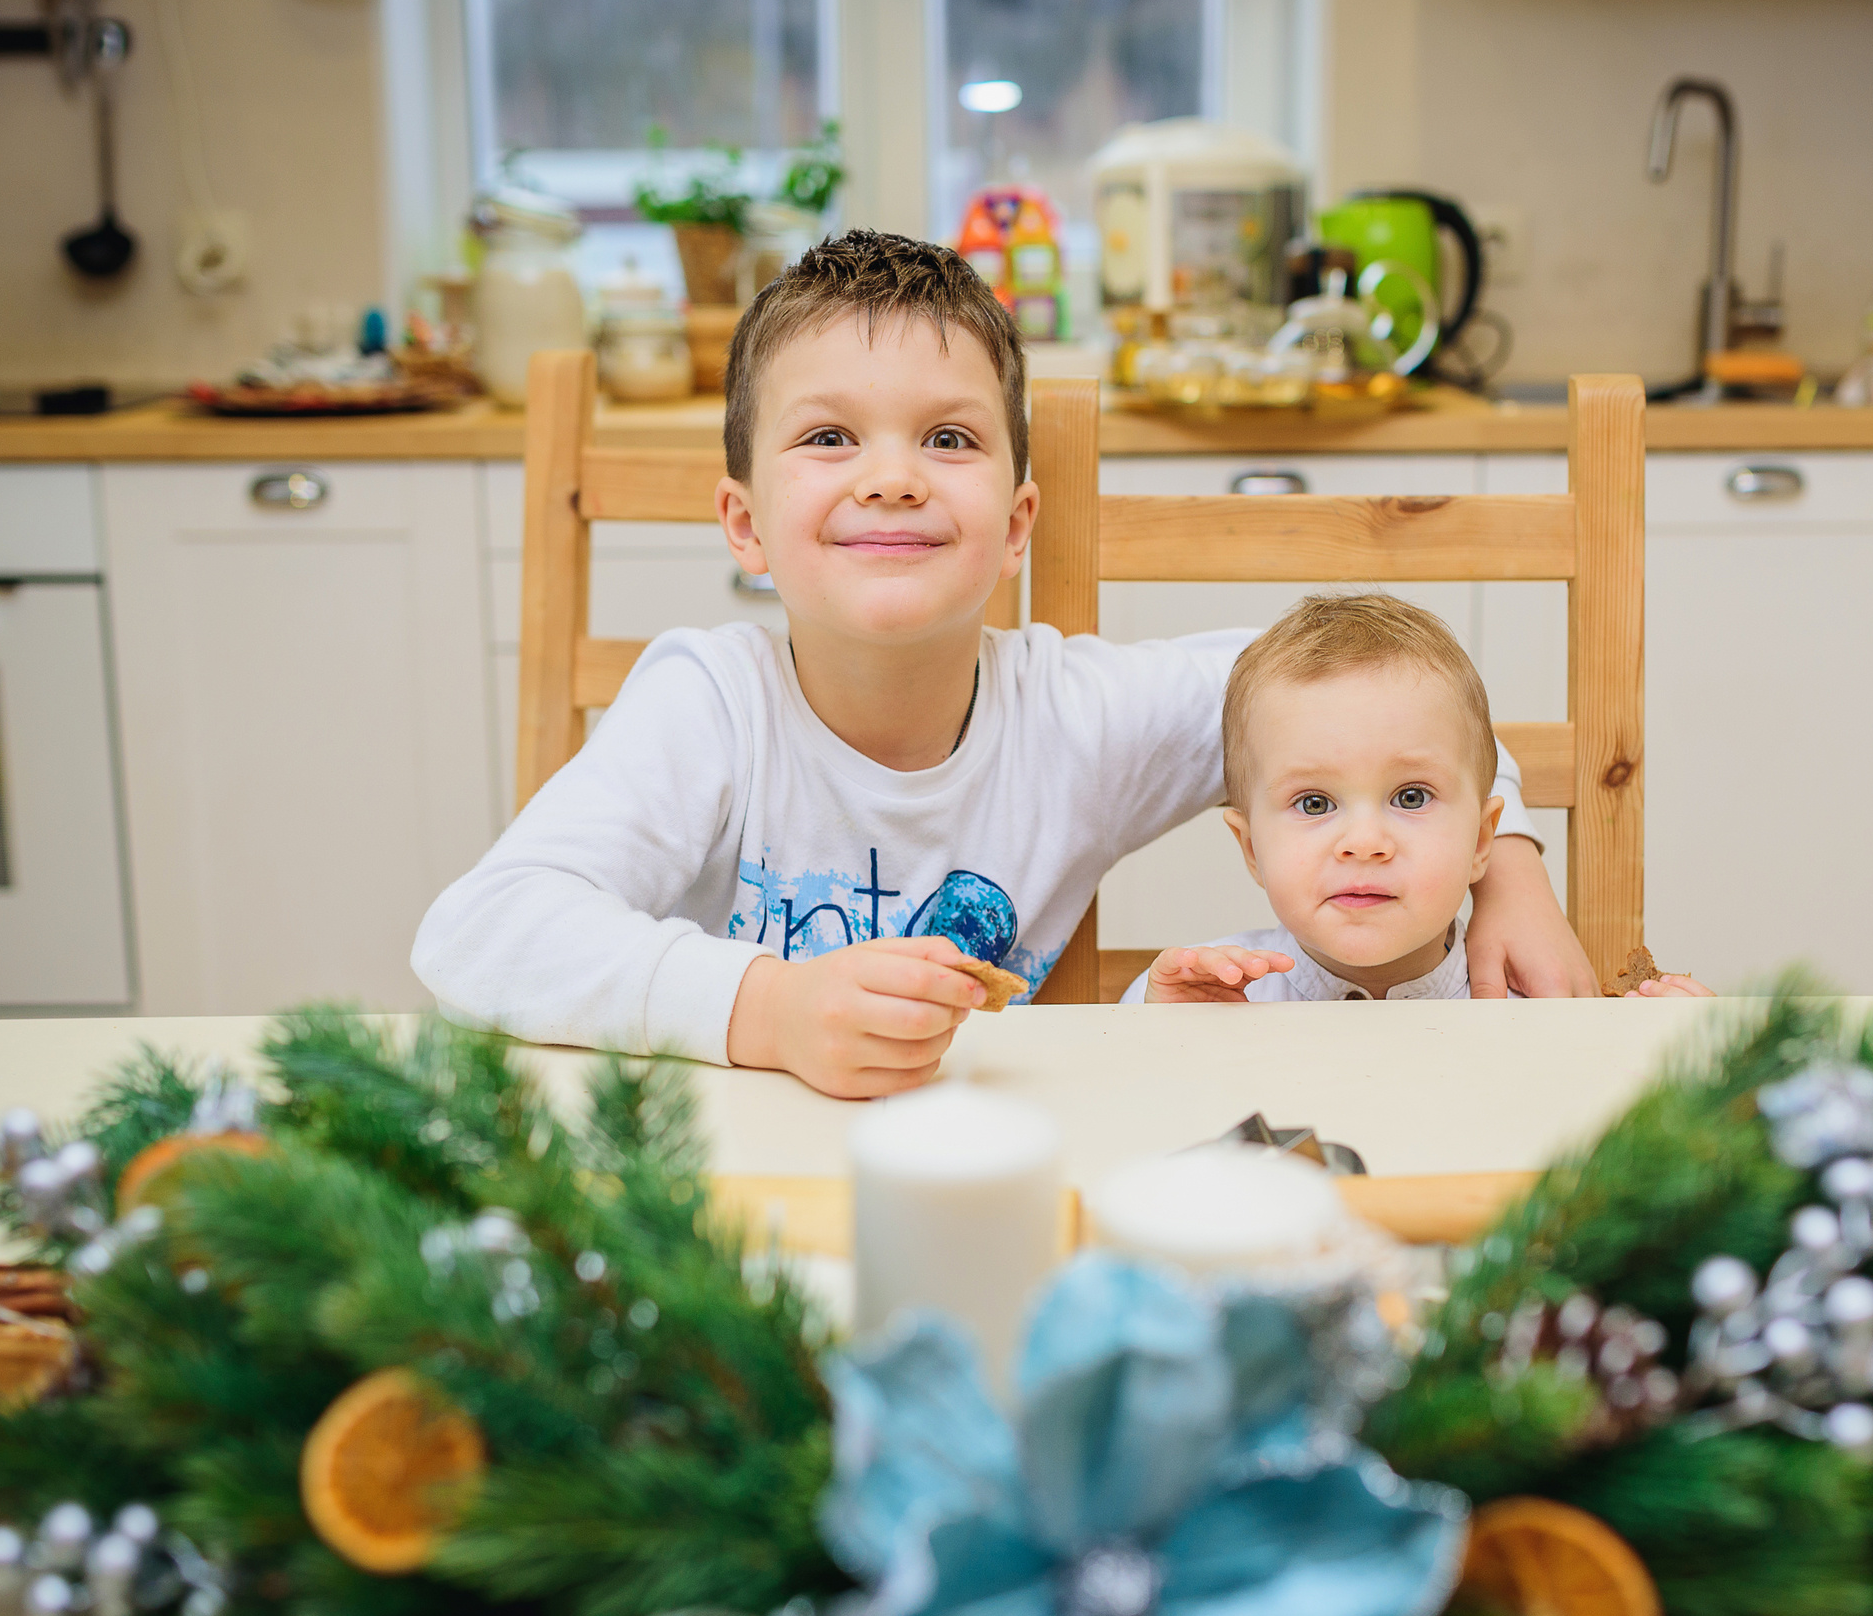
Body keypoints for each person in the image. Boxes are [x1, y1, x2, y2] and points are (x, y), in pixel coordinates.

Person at [413, 231, 1595, 1098]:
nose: (892, 476)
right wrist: (769, 1009)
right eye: (829, 437)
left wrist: (1514, 866)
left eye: (949, 437)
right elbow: (477, 932)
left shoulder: (1077, 718)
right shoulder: (710, 703)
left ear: (1017, 520)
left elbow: (1385, 696)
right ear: (744, 524)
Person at [1130, 594, 1713, 1004]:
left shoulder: (1534, 996)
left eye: (1410, 796)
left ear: (1484, 840)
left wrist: (1694, 1068)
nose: (1364, 844)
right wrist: (1170, 1039)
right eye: (1314, 804)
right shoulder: (1206, 991)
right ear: (1251, 848)